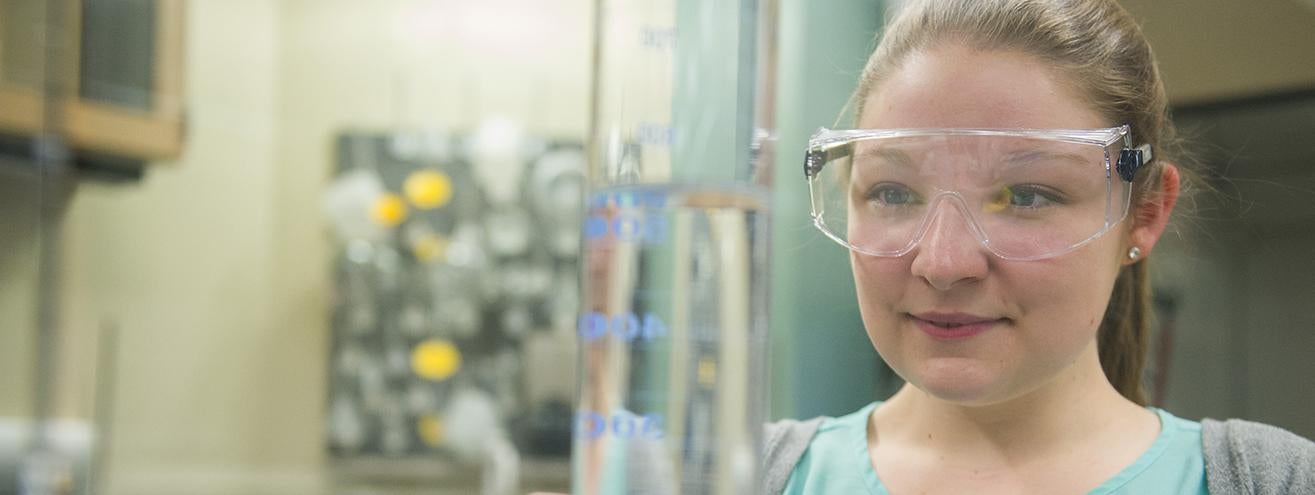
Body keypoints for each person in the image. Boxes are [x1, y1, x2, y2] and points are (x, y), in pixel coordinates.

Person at [764, 0, 1315, 493]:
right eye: (892, 192)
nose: (943, 263)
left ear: (1143, 215)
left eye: (1026, 195)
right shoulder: (748, 473)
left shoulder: (1275, 480)